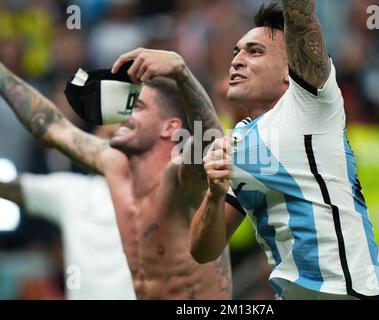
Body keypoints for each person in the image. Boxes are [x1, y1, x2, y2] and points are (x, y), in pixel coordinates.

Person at [187, 1, 379, 299]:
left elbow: (302, 17)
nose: (237, 60)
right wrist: (215, 196)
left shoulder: (311, 102)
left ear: (289, 70)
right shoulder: (238, 141)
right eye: (236, 51)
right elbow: (203, 252)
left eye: (255, 51)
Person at [0, 48, 231, 299]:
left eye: (136, 106)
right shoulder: (114, 166)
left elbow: (210, 145)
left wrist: (182, 73)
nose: (122, 115)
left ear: (170, 127)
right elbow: (50, 126)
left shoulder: (182, 178)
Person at [0, 125, 136, 300]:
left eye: (125, 133)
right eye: (107, 135)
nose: (114, 142)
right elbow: (13, 188)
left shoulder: (154, 195)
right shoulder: (72, 192)